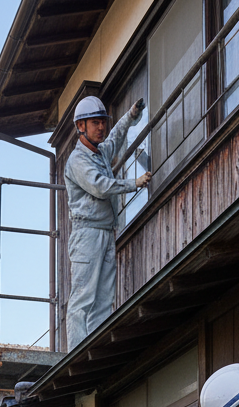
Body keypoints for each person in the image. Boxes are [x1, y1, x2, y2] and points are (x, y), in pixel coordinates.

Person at [64, 96, 153, 348]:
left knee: (104, 299)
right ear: (81, 126)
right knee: (83, 297)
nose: (101, 127)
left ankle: (96, 349)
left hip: (104, 231)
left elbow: (115, 136)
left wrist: (131, 116)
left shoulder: (100, 152)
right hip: (87, 234)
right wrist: (133, 183)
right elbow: (99, 186)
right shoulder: (77, 160)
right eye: (95, 123)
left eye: (102, 122)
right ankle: (76, 354)